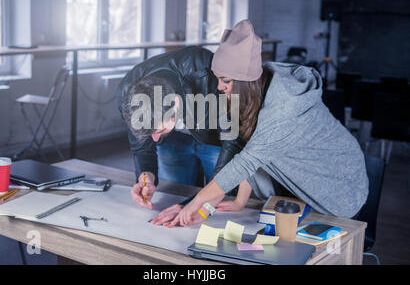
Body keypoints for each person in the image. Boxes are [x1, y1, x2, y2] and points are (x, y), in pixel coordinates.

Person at [151, 20, 369, 227]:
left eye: (225, 80)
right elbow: (242, 149)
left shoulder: (284, 108)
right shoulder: (250, 95)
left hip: (339, 187)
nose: (219, 87)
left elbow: (246, 162)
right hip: (295, 187)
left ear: (247, 82)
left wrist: (193, 204)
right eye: (217, 78)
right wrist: (230, 202)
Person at [118, 46, 245, 209]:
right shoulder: (127, 94)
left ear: (175, 103)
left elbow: (233, 139)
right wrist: (146, 176)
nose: (155, 139)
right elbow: (142, 148)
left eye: (159, 131)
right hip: (174, 140)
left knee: (221, 199)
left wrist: (199, 202)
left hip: (216, 136)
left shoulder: (205, 72)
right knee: (175, 195)